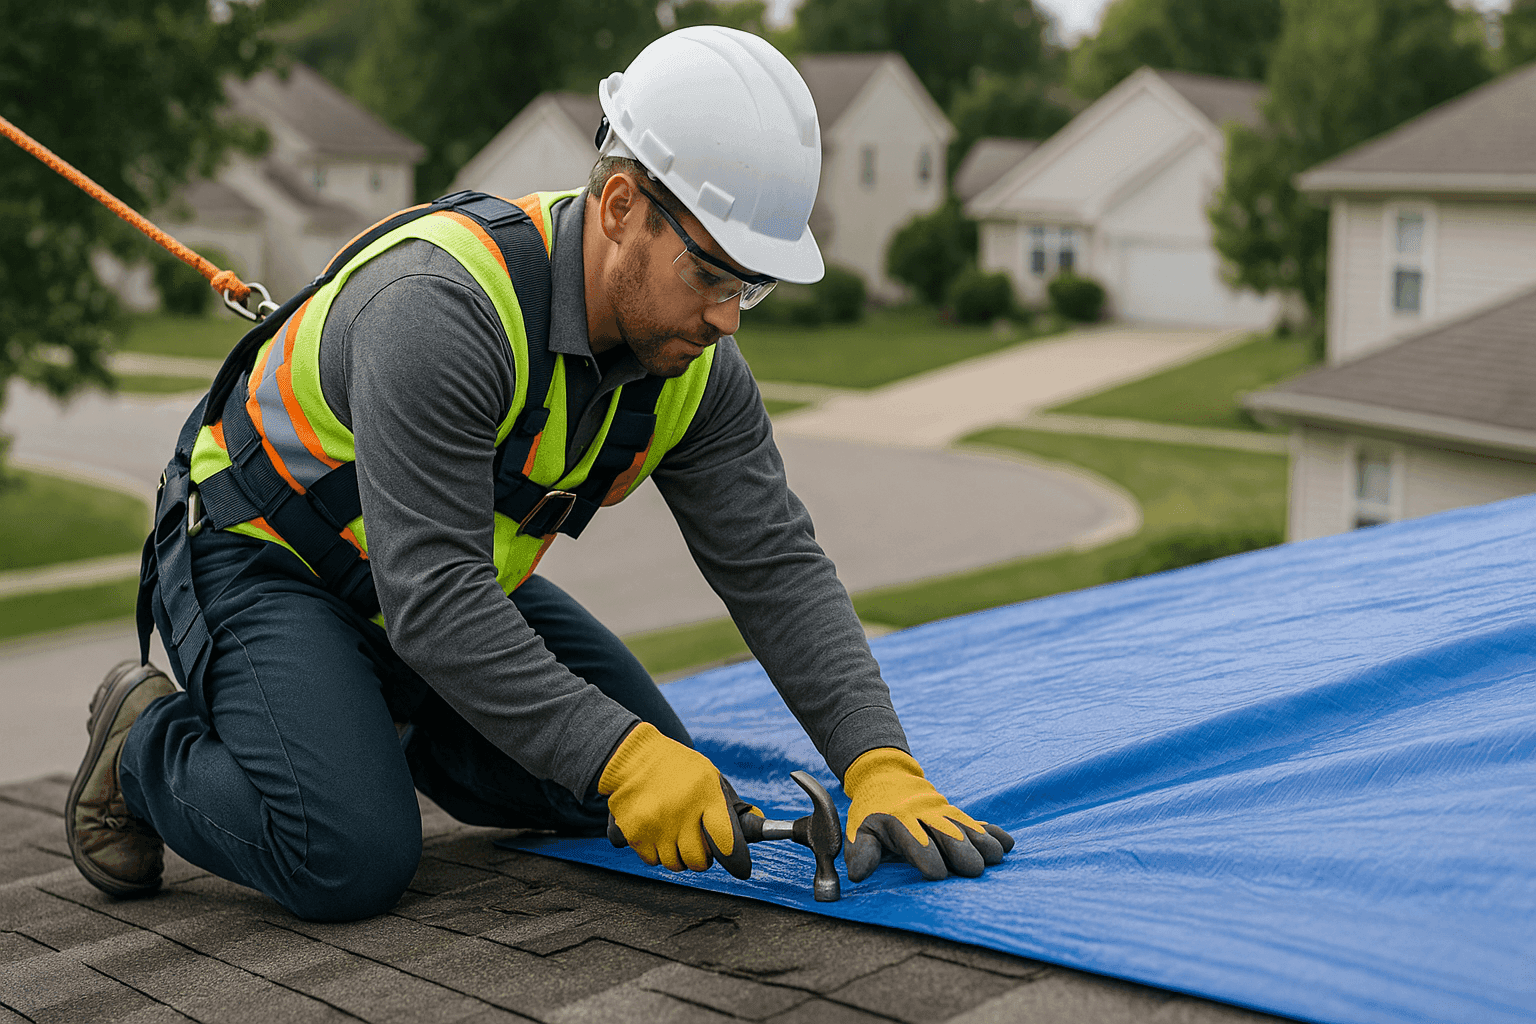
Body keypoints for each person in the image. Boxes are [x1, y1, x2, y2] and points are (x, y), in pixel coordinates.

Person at [66, 26, 1013, 922]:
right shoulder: (440, 313)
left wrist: (877, 760)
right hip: (261, 556)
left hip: (423, 596)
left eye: (750, 287)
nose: (730, 319)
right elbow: (436, 599)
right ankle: (145, 745)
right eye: (714, 275)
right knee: (349, 854)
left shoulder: (695, 369)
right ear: (619, 208)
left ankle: (360, 721)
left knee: (666, 794)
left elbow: (775, 566)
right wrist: (616, 755)